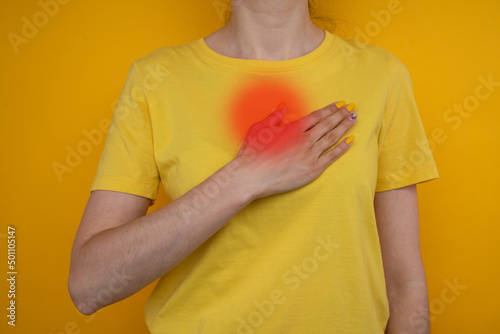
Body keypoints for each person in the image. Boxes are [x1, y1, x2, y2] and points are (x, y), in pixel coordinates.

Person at [68, 0, 439, 333]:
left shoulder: (381, 75)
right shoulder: (156, 78)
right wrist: (246, 175)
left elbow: (404, 284)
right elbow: (89, 286)